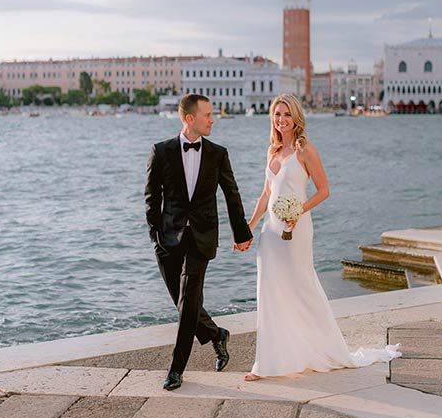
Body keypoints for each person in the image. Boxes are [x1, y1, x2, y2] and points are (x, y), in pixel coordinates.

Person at [245, 93, 400, 381]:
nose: (281, 119)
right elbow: (267, 194)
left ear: (296, 117)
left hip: (297, 228)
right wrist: (249, 227)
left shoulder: (305, 150)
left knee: (301, 286)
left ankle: (322, 348)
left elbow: (324, 190)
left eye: (286, 114)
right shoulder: (272, 150)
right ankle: (269, 363)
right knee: (270, 290)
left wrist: (298, 212)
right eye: (277, 114)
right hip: (270, 231)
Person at [145, 93, 253, 391]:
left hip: (202, 237)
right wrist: (155, 234)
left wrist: (241, 232)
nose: (213, 119)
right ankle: (217, 335)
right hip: (167, 239)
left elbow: (232, 194)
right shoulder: (161, 151)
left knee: (189, 298)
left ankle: (176, 369)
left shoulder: (218, 153)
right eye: (208, 115)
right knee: (183, 304)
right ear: (190, 118)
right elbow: (152, 199)